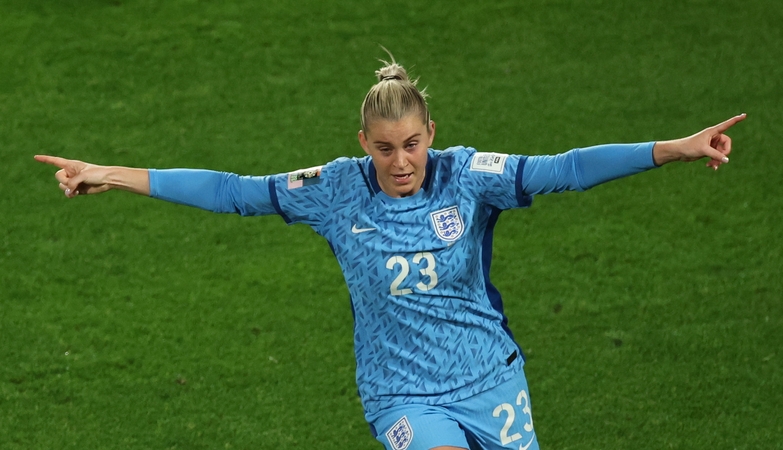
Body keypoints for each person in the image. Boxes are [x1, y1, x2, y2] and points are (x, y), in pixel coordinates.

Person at [36, 54, 745, 450]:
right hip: (404, 396)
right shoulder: (335, 191)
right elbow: (231, 190)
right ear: (362, 142)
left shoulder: (470, 176)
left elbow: (564, 168)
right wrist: (110, 173)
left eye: (411, 144)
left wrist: (674, 149)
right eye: (383, 148)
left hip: (491, 380)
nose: (400, 162)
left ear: (430, 132)